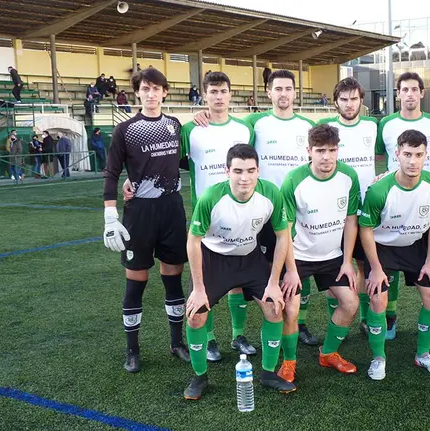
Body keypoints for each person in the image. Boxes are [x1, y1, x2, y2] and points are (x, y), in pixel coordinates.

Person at [127, 72, 257, 361]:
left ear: (230, 94)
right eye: (213, 91)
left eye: (223, 91)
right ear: (204, 95)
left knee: (238, 279)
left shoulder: (245, 128)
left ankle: (238, 335)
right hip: (206, 216)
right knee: (206, 280)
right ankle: (209, 339)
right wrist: (133, 179)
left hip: (243, 214)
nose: (218, 96)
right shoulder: (190, 130)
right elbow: (168, 160)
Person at [191, 69, 320, 346]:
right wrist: (203, 115)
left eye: (288, 88)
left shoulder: (307, 125)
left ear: (295, 92)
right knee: (235, 272)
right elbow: (224, 135)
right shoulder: (253, 123)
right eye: (278, 89)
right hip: (252, 211)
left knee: (296, 265)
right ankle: (227, 336)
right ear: (268, 92)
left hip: (294, 210)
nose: (283, 94)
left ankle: (300, 323)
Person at [183, 144, 295, 400]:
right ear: (227, 171)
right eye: (238, 171)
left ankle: (267, 373)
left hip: (250, 258)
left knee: (274, 307)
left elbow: (282, 236)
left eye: (251, 170)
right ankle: (199, 377)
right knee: (195, 316)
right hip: (214, 259)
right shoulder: (211, 197)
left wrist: (274, 282)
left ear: (258, 171)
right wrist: (199, 290)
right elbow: (193, 241)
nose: (244, 177)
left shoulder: (271, 194)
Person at [103, 67, 189, 373]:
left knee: (173, 277)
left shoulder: (175, 125)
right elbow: (112, 172)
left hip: (172, 210)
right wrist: (110, 213)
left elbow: (184, 162)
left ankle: (177, 343)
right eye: (145, 89)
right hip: (139, 213)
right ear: (137, 92)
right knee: (136, 280)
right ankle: (132, 350)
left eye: (156, 89)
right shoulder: (125, 129)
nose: (151, 94)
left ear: (165, 92)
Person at [358, 129, 430, 379]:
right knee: (378, 300)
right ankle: (378, 358)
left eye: (418, 154)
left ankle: (423, 354)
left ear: (425, 155)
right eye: (407, 154)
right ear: (397, 154)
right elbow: (365, 230)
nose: (412, 161)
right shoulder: (379, 190)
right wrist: (375, 268)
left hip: (415, 246)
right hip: (382, 248)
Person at [277, 124, 360, 384]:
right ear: (309, 151)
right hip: (299, 256)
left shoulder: (348, 176)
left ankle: (328, 353)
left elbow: (351, 220)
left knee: (350, 303)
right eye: (320, 150)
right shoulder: (294, 180)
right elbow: (285, 230)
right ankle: (289, 362)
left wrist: (347, 261)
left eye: (332, 150)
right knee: (290, 308)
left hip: (333, 257)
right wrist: (290, 270)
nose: (326, 157)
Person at [374, 71, 430, 340]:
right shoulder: (386, 124)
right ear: (398, 93)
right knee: (386, 262)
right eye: (404, 89)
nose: (409, 94)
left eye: (414, 89)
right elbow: (377, 157)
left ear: (421, 93)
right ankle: (388, 318)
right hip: (394, 200)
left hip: (425, 201)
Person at [317, 77, 378, 335]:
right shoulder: (325, 128)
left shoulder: (375, 126)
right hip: (334, 209)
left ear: (361, 100)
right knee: (333, 263)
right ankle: (336, 320)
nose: (349, 104)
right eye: (344, 99)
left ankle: (365, 318)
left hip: (367, 209)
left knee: (364, 266)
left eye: (354, 98)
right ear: (336, 102)